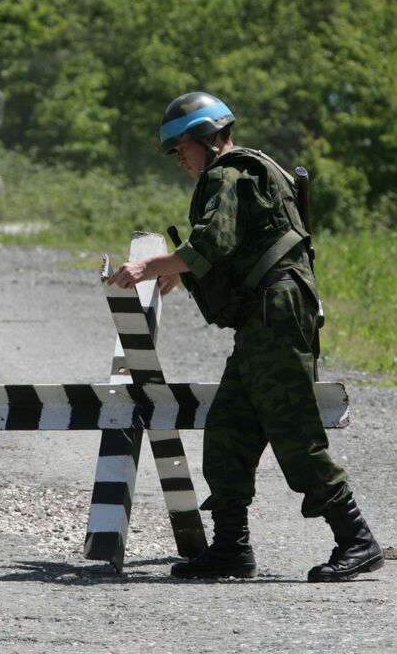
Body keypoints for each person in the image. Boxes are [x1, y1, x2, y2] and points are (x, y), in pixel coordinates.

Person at [107, 91, 384, 582]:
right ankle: (231, 549)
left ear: (202, 138)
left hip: (275, 314)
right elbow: (230, 249)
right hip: (263, 317)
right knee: (229, 429)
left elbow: (213, 241)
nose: (180, 160)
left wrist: (150, 265)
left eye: (181, 149)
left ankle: (356, 539)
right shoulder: (246, 172)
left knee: (293, 428)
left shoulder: (228, 173)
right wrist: (181, 270)